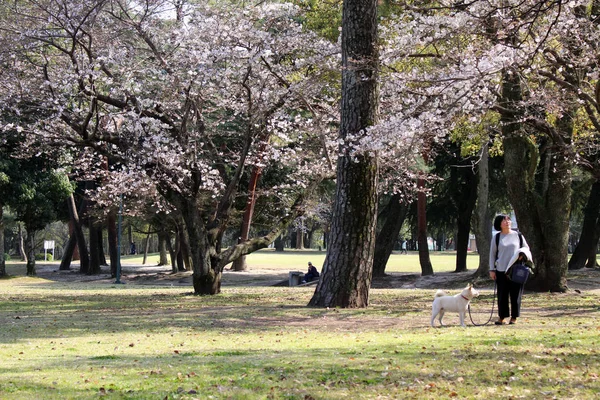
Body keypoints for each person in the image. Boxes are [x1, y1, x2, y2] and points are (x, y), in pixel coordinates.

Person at [489, 214, 532, 325]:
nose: (507, 222)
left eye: (508, 219)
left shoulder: (518, 235)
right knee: (502, 294)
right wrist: (492, 270)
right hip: (501, 269)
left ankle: (514, 317)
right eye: (504, 220)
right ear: (499, 224)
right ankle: (502, 317)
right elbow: (492, 254)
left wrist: (522, 255)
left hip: (516, 270)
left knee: (516, 294)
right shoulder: (497, 237)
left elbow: (526, 248)